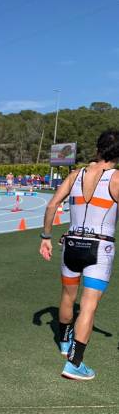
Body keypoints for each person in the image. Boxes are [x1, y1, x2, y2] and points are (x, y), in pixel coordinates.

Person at [39, 129, 119, 380]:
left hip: (71, 244)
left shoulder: (75, 175)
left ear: (97, 149)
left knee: (67, 296)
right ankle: (75, 363)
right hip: (100, 248)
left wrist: (46, 237)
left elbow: (52, 205)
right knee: (88, 306)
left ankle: (64, 344)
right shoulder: (116, 178)